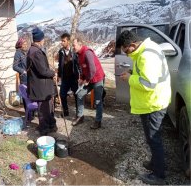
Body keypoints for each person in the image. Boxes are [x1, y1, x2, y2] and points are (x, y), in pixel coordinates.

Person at [118, 30, 171, 185]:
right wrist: (132, 71)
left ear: (133, 45)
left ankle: (159, 175)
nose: (127, 55)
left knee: (154, 139)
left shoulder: (147, 56)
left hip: (152, 104)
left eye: (126, 51)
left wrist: (129, 78)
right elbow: (146, 73)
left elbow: (148, 83)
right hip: (153, 101)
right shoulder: (146, 49)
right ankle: (156, 163)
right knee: (151, 138)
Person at [27, 27, 57, 136]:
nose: (44, 40)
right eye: (43, 38)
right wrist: (53, 73)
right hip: (41, 87)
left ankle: (50, 125)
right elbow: (43, 71)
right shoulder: (35, 52)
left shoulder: (34, 50)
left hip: (41, 86)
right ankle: (44, 129)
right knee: (43, 110)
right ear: (40, 39)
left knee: (47, 108)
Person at [72, 37, 105, 129]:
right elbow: (83, 68)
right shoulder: (78, 54)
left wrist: (86, 80)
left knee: (98, 101)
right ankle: (80, 116)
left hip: (97, 78)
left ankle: (98, 121)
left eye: (74, 45)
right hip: (89, 79)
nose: (73, 47)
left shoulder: (87, 52)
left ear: (80, 44)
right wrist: (82, 79)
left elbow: (93, 70)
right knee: (80, 94)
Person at [57, 33, 79, 117]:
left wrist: (80, 76)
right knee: (62, 95)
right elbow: (60, 64)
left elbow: (78, 64)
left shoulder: (74, 51)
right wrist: (59, 75)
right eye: (61, 41)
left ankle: (78, 112)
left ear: (68, 41)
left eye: (63, 41)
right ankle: (65, 111)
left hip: (73, 77)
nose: (62, 42)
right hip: (65, 78)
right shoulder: (61, 52)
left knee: (76, 94)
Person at [13, 37, 28, 112]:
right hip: (24, 78)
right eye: (24, 44)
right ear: (20, 45)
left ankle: (32, 112)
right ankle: (28, 115)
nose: (26, 45)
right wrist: (23, 71)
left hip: (30, 77)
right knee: (26, 97)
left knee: (31, 95)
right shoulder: (18, 53)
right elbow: (14, 66)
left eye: (26, 43)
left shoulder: (26, 52)